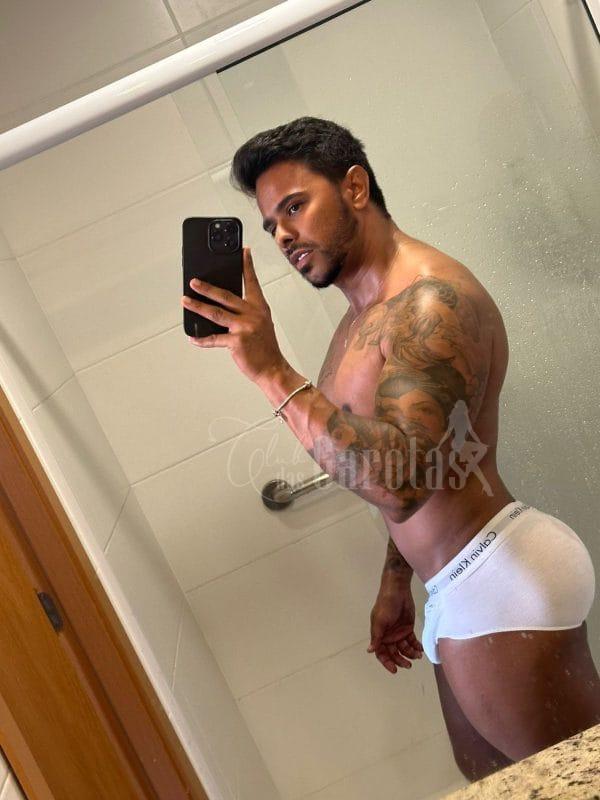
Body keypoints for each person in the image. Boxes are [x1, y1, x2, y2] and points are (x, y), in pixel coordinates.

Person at [181, 117, 600, 783]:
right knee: (495, 783)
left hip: (498, 578)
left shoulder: (430, 304)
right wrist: (396, 579)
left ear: (354, 187)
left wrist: (271, 371)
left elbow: (400, 481)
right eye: (271, 224)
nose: (283, 236)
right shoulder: (361, 318)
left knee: (570, 785)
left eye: (295, 207)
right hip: (456, 581)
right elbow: (407, 457)